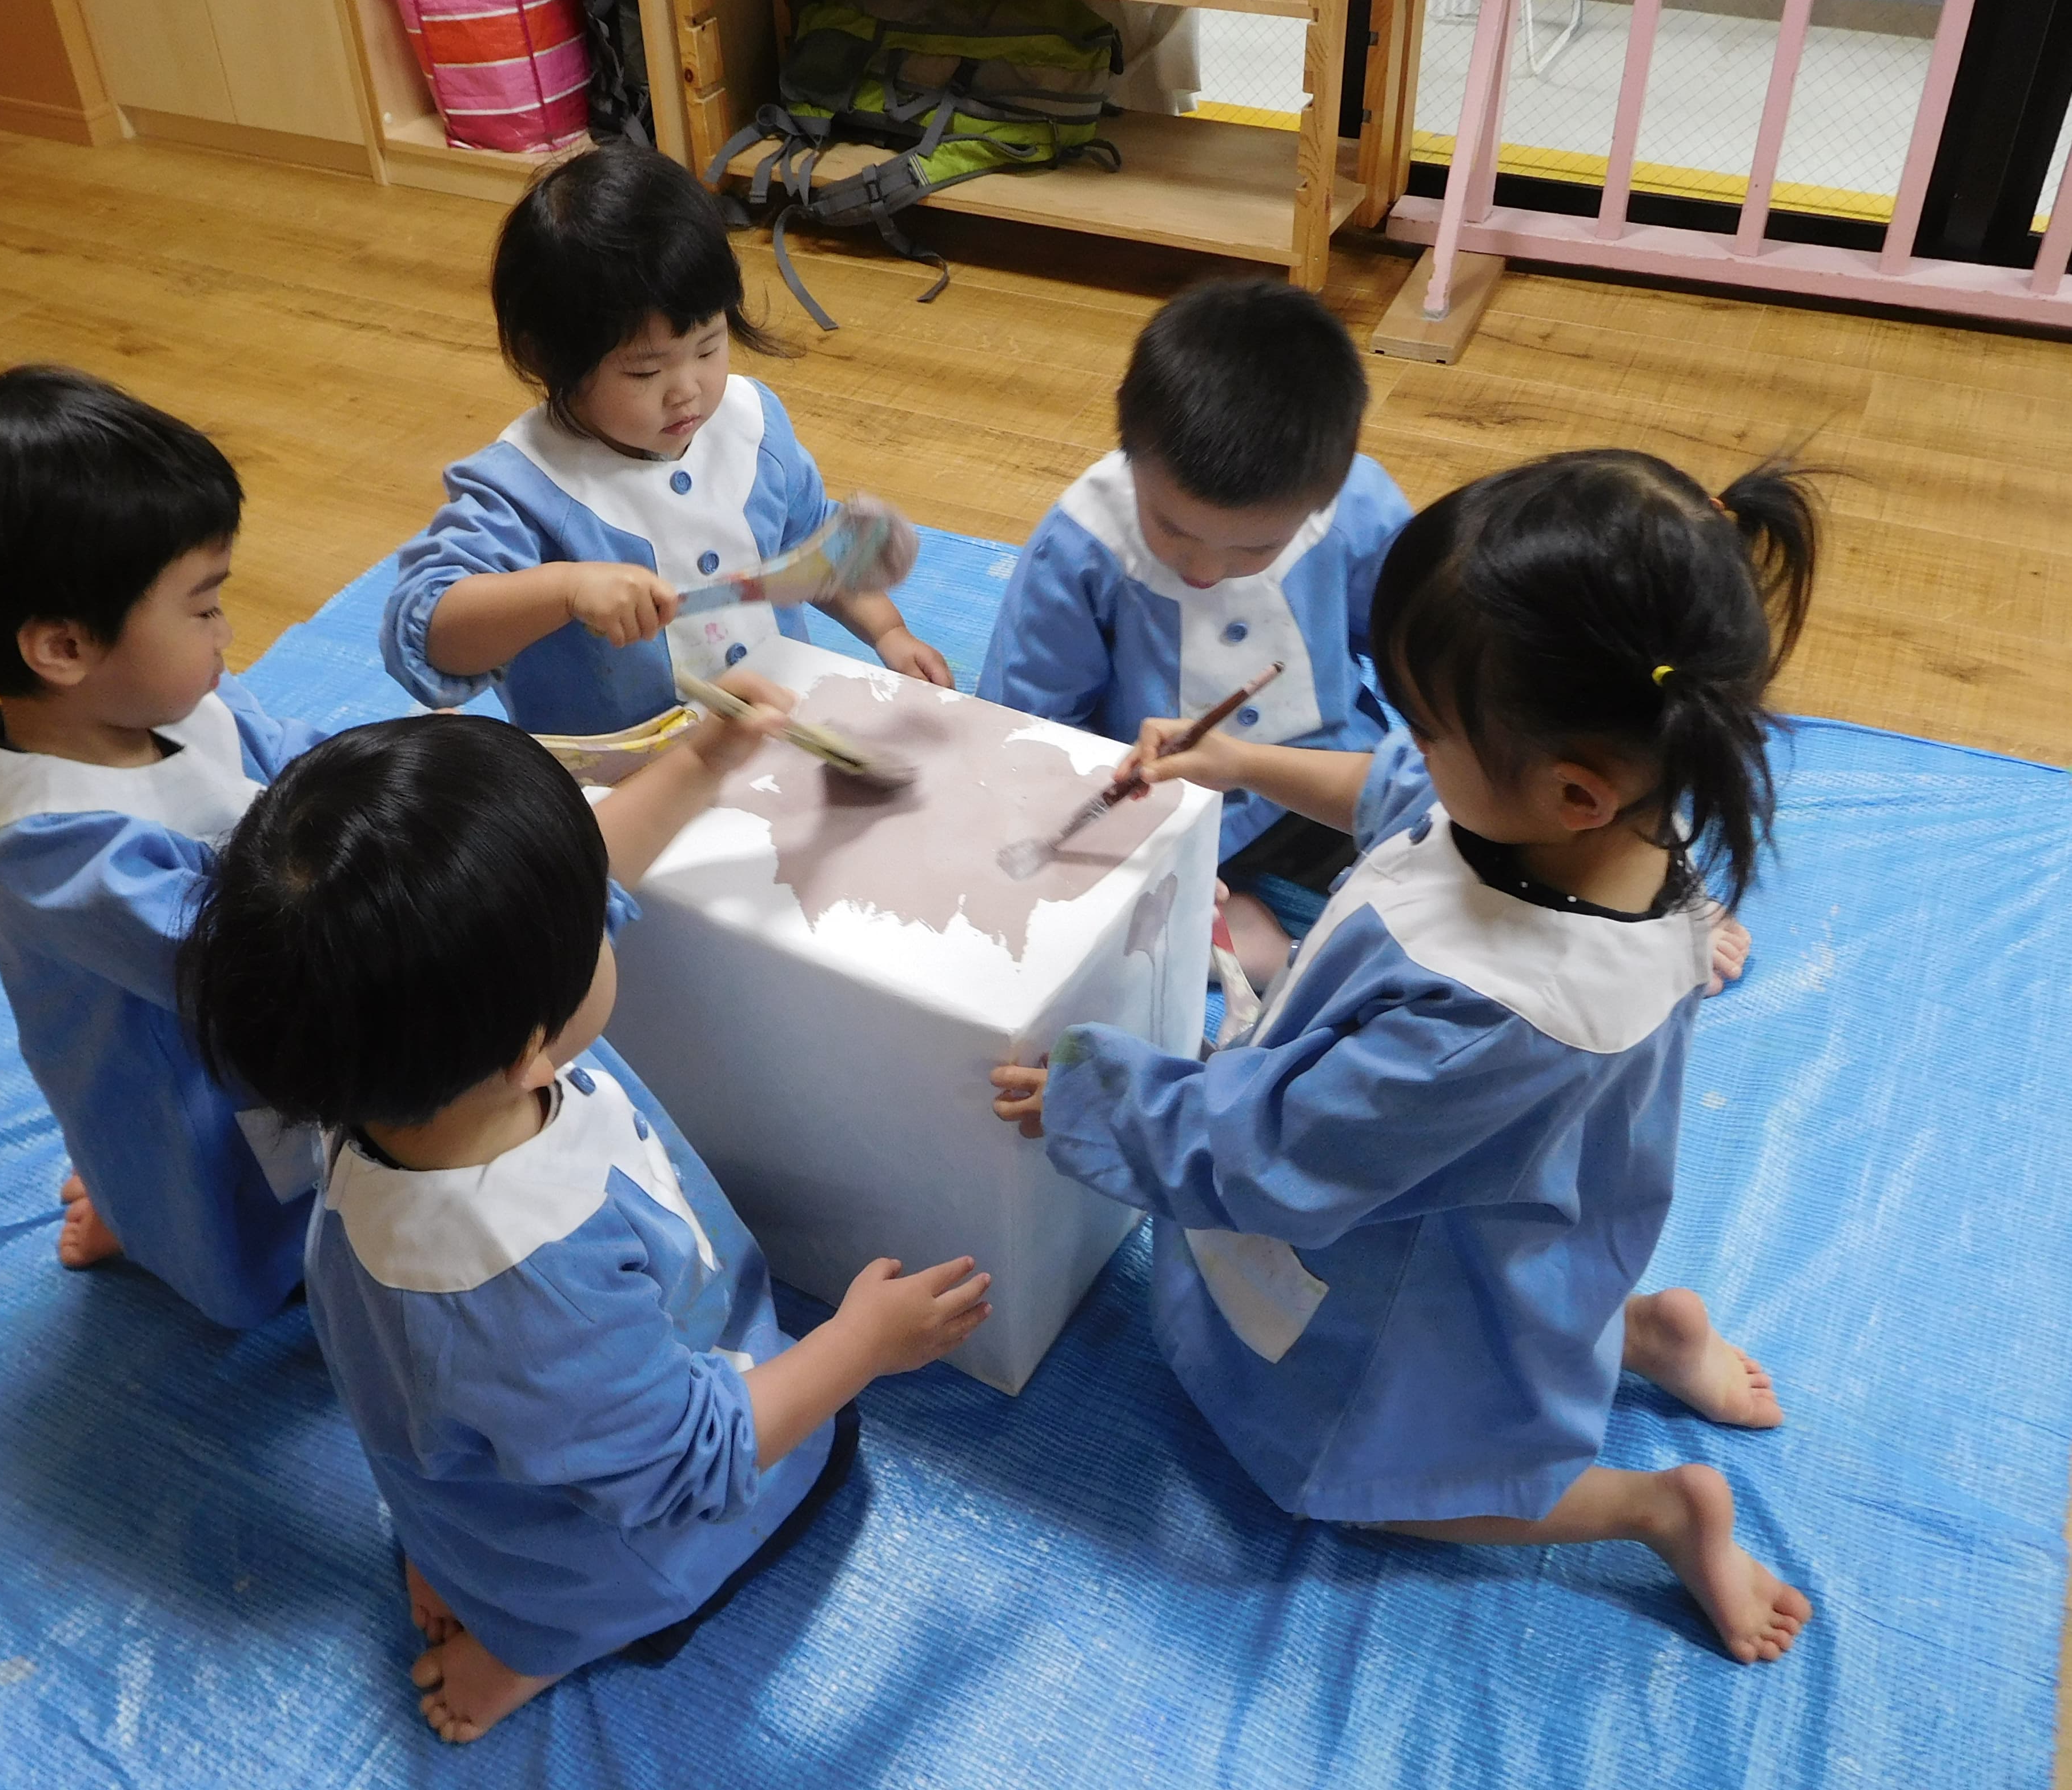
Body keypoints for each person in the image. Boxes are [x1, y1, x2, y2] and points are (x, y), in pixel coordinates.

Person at [989, 450, 1819, 1663]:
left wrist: (1101, 1097)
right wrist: (1237, 763)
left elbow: (1276, 1156)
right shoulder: (1604, 814)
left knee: (1350, 1465)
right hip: (1518, 1207)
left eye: (1427, 731)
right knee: (1521, 1300)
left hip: (1411, 1234)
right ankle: (1642, 1332)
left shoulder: (1484, 1017)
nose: (1407, 751)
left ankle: (1652, 1509)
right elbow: (1393, 799)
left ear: (1572, 790)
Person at [182, 704, 993, 1743]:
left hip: (464, 1457)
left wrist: (702, 759)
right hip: (614, 1548)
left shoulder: (379, 1053)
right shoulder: (531, 1288)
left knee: (466, 1462)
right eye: (583, 930)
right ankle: (532, 1642)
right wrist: (862, 1344)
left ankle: (459, 1555)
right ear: (533, 1044)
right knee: (812, 1455)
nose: (605, 914)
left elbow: (564, 897)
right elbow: (690, 1467)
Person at [0, 365, 323, 1327]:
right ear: (64, 649)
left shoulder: (175, 699)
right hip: (182, 1062)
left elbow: (303, 765)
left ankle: (138, 1207)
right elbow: (236, 968)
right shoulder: (54, 845)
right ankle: (145, 1223)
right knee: (221, 1213)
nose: (226, 632)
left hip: (254, 1019)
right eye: (202, 607)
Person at [379, 143, 950, 738]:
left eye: (708, 347)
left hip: (767, 731)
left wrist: (889, 633)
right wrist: (566, 591)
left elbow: (811, 553)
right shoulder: (525, 487)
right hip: (621, 771)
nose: (686, 392)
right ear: (547, 357)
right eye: (644, 372)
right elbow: (428, 635)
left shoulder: (750, 428)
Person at [978, 278, 1410, 988]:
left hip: (1321, 775)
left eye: (1255, 548)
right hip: (1155, 799)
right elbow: (1029, 721)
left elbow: (1418, 657)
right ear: (1130, 452)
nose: (1205, 570)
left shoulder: (1356, 505)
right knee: (1048, 908)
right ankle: (1227, 932)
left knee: (1458, 846)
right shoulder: (1083, 543)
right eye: (1171, 528)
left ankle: (1233, 931)